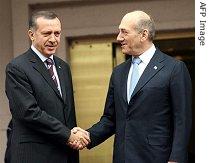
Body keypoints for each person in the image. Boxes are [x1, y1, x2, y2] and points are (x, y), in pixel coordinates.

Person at [73, 10, 192, 163]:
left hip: (157, 158)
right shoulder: (119, 72)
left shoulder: (174, 69)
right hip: (123, 157)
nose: (118, 37)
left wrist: (176, 159)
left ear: (143, 35)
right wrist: (88, 136)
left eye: (124, 32)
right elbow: (110, 119)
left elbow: (182, 119)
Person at [5, 11, 89, 163]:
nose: (53, 39)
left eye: (57, 33)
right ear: (31, 34)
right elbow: (29, 112)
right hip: (34, 155)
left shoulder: (63, 67)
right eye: (47, 33)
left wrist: (74, 137)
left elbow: (68, 112)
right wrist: (68, 135)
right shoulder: (17, 68)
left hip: (64, 153)